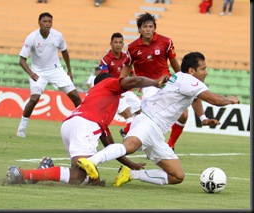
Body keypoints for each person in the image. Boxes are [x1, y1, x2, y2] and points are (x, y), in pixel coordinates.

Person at [76, 51, 240, 187]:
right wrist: (230, 100)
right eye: (203, 69)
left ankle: (131, 174)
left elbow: (196, 99)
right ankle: (91, 161)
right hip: (149, 119)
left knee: (177, 176)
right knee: (131, 146)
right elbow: (215, 100)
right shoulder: (189, 80)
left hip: (157, 131)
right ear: (191, 71)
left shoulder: (185, 80)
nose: (206, 72)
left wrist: (203, 118)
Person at [7, 72, 169, 186]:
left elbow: (109, 146)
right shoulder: (108, 84)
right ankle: (23, 173)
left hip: (71, 124)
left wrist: (130, 164)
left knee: (89, 178)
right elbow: (135, 81)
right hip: (83, 126)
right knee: (79, 176)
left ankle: (46, 169)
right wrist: (156, 82)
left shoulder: (97, 97)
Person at [119, 12, 197, 150]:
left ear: (154, 28)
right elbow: (127, 65)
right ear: (139, 29)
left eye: (151, 26)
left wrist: (183, 79)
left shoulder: (165, 42)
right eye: (145, 27)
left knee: (184, 115)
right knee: (152, 115)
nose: (148, 29)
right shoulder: (132, 48)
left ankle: (171, 144)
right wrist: (119, 83)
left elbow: (173, 62)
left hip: (167, 83)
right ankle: (137, 136)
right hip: (148, 85)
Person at [16, 12, 82, 138]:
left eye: (49, 22)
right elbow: (21, 60)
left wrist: (69, 70)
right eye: (44, 21)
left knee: (76, 97)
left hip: (56, 70)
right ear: (39, 23)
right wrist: (31, 73)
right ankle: (21, 129)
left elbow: (65, 52)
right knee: (34, 99)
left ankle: (82, 125)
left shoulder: (57, 35)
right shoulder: (32, 37)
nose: (47, 24)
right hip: (38, 72)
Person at [98, 32, 142, 138]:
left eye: (120, 42)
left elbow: (131, 71)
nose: (118, 44)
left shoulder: (126, 57)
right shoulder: (105, 60)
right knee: (127, 112)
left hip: (125, 91)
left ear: (123, 44)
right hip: (113, 93)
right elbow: (104, 77)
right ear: (111, 44)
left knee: (140, 111)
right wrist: (115, 90)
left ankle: (126, 131)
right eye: (115, 42)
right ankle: (131, 137)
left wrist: (139, 83)